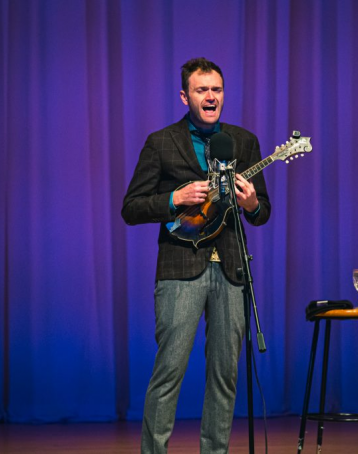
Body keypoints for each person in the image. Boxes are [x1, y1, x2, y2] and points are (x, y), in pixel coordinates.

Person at [121, 57, 271, 454]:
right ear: (185, 96)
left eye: (217, 90)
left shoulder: (243, 141)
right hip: (179, 269)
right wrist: (174, 198)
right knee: (169, 371)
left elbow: (262, 213)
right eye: (202, 90)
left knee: (225, 375)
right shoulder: (161, 141)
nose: (211, 96)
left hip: (232, 270)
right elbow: (131, 207)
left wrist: (253, 202)